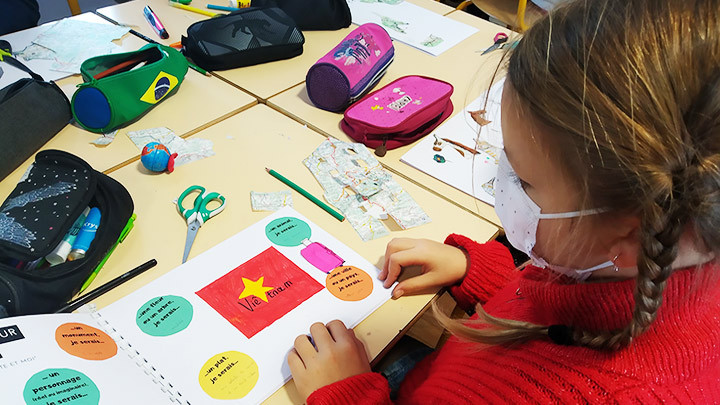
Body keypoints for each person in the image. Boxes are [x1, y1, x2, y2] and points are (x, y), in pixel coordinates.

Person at [287, 0, 720, 402]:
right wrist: (480, 272)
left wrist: (344, 393)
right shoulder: (666, 253)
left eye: (525, 181)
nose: (503, 184)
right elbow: (559, 303)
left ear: (629, 232)